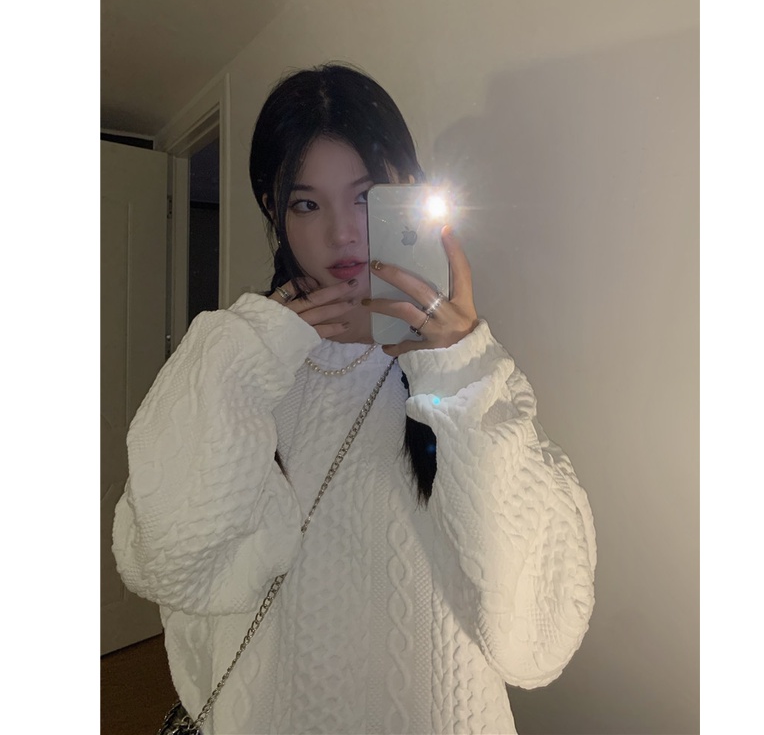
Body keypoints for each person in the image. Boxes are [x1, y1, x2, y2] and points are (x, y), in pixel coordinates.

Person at [113, 63, 596, 735]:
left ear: (408, 195)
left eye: (366, 197)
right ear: (274, 211)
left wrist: (461, 367)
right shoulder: (239, 365)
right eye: (306, 204)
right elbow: (172, 566)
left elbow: (536, 642)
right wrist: (243, 354)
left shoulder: (465, 375)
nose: (340, 233)